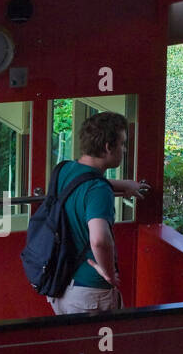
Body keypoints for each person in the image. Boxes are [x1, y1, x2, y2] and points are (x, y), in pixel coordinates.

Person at [47, 112, 149, 315]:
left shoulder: (64, 170)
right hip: (90, 293)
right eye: (122, 143)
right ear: (108, 147)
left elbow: (83, 184)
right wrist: (109, 274)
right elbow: (100, 240)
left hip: (60, 285)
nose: (125, 149)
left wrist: (124, 185)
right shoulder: (98, 190)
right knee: (104, 347)